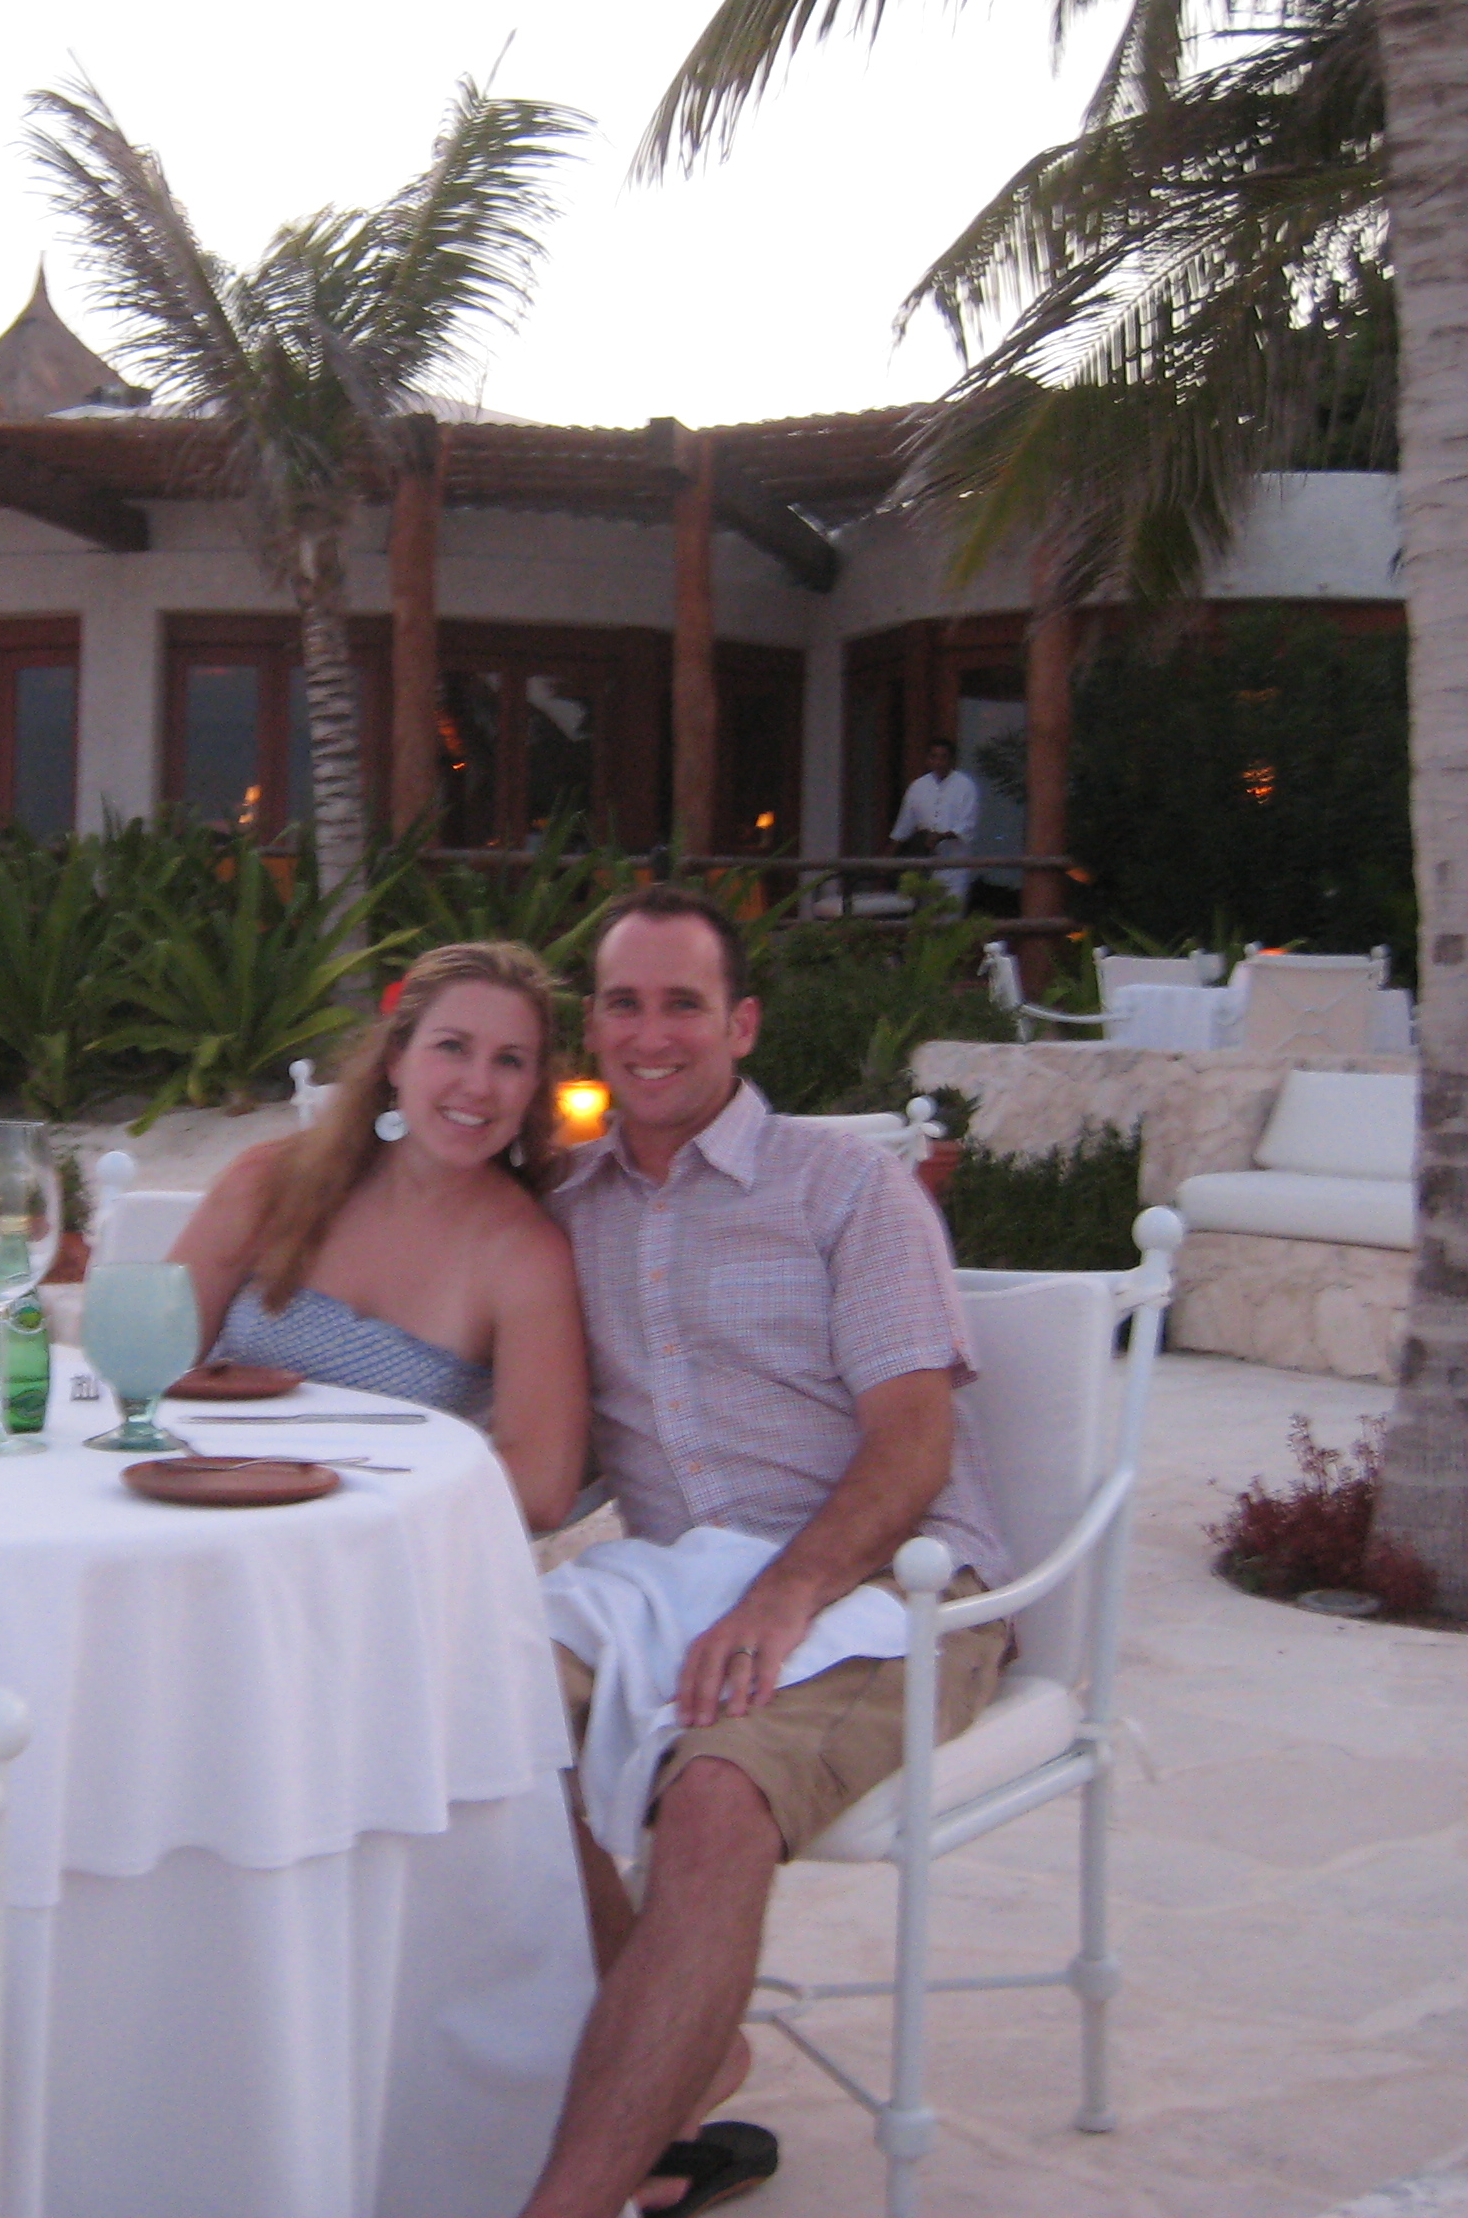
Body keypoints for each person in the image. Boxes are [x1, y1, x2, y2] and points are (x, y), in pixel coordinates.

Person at [519, 887, 1011, 2218]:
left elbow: (914, 1443)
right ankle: (683, 2049)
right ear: (592, 1028)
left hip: (894, 1583)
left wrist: (790, 1593)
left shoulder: (845, 1187)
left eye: (682, 1004)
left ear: (740, 1025)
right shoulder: (569, 1206)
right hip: (675, 1578)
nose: (651, 1033)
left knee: (718, 1795)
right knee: (470, 1721)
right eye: (624, 1004)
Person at [169, 940, 589, 1530]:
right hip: (204, 1518)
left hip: (376, 1549)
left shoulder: (524, 1257)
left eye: (510, 1061)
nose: (478, 1084)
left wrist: (336, 1491)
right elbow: (138, 1370)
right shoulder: (268, 1184)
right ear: (396, 1059)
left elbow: (542, 1487)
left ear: (533, 1088)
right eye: (452, 1047)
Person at [888, 738, 979, 902]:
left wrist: (941, 836)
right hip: (925, 862)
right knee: (925, 908)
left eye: (944, 757)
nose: (939, 762)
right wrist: (887, 859)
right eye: (934, 757)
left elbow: (967, 825)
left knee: (951, 909)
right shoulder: (917, 787)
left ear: (953, 760)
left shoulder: (966, 786)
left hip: (955, 864)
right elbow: (904, 826)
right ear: (927, 760)